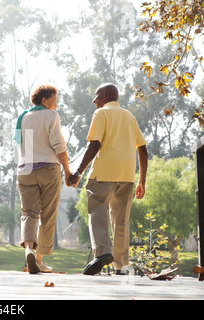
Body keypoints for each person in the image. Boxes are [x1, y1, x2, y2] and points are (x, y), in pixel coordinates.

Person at [67, 83, 148, 275]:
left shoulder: (101, 113)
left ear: (105, 95)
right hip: (127, 175)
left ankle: (102, 252)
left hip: (103, 172)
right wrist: (142, 181)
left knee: (97, 207)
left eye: (96, 96)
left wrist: (78, 172)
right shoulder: (129, 116)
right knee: (121, 220)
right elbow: (143, 149)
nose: (94, 100)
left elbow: (94, 145)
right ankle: (122, 266)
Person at [14, 84, 71, 274]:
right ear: (44, 100)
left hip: (25, 169)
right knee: (48, 215)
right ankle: (38, 260)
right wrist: (68, 171)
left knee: (29, 213)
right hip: (48, 168)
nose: (55, 106)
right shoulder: (51, 116)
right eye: (54, 101)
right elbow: (58, 146)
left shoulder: (23, 117)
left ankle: (29, 250)